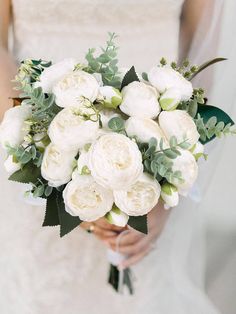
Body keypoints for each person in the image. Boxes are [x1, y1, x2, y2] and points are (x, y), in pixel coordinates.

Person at [0, 1, 224, 313]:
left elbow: (199, 46)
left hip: (152, 176)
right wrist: (53, 170)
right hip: (36, 160)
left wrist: (167, 184)